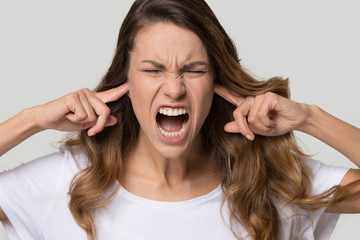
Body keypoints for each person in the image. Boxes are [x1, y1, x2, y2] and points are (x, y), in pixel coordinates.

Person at [0, 0, 359, 239]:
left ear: (215, 81)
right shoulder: (64, 183)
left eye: (194, 69)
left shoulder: (273, 183)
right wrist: (32, 120)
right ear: (126, 80)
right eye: (153, 69)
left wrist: (310, 118)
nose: (174, 89)